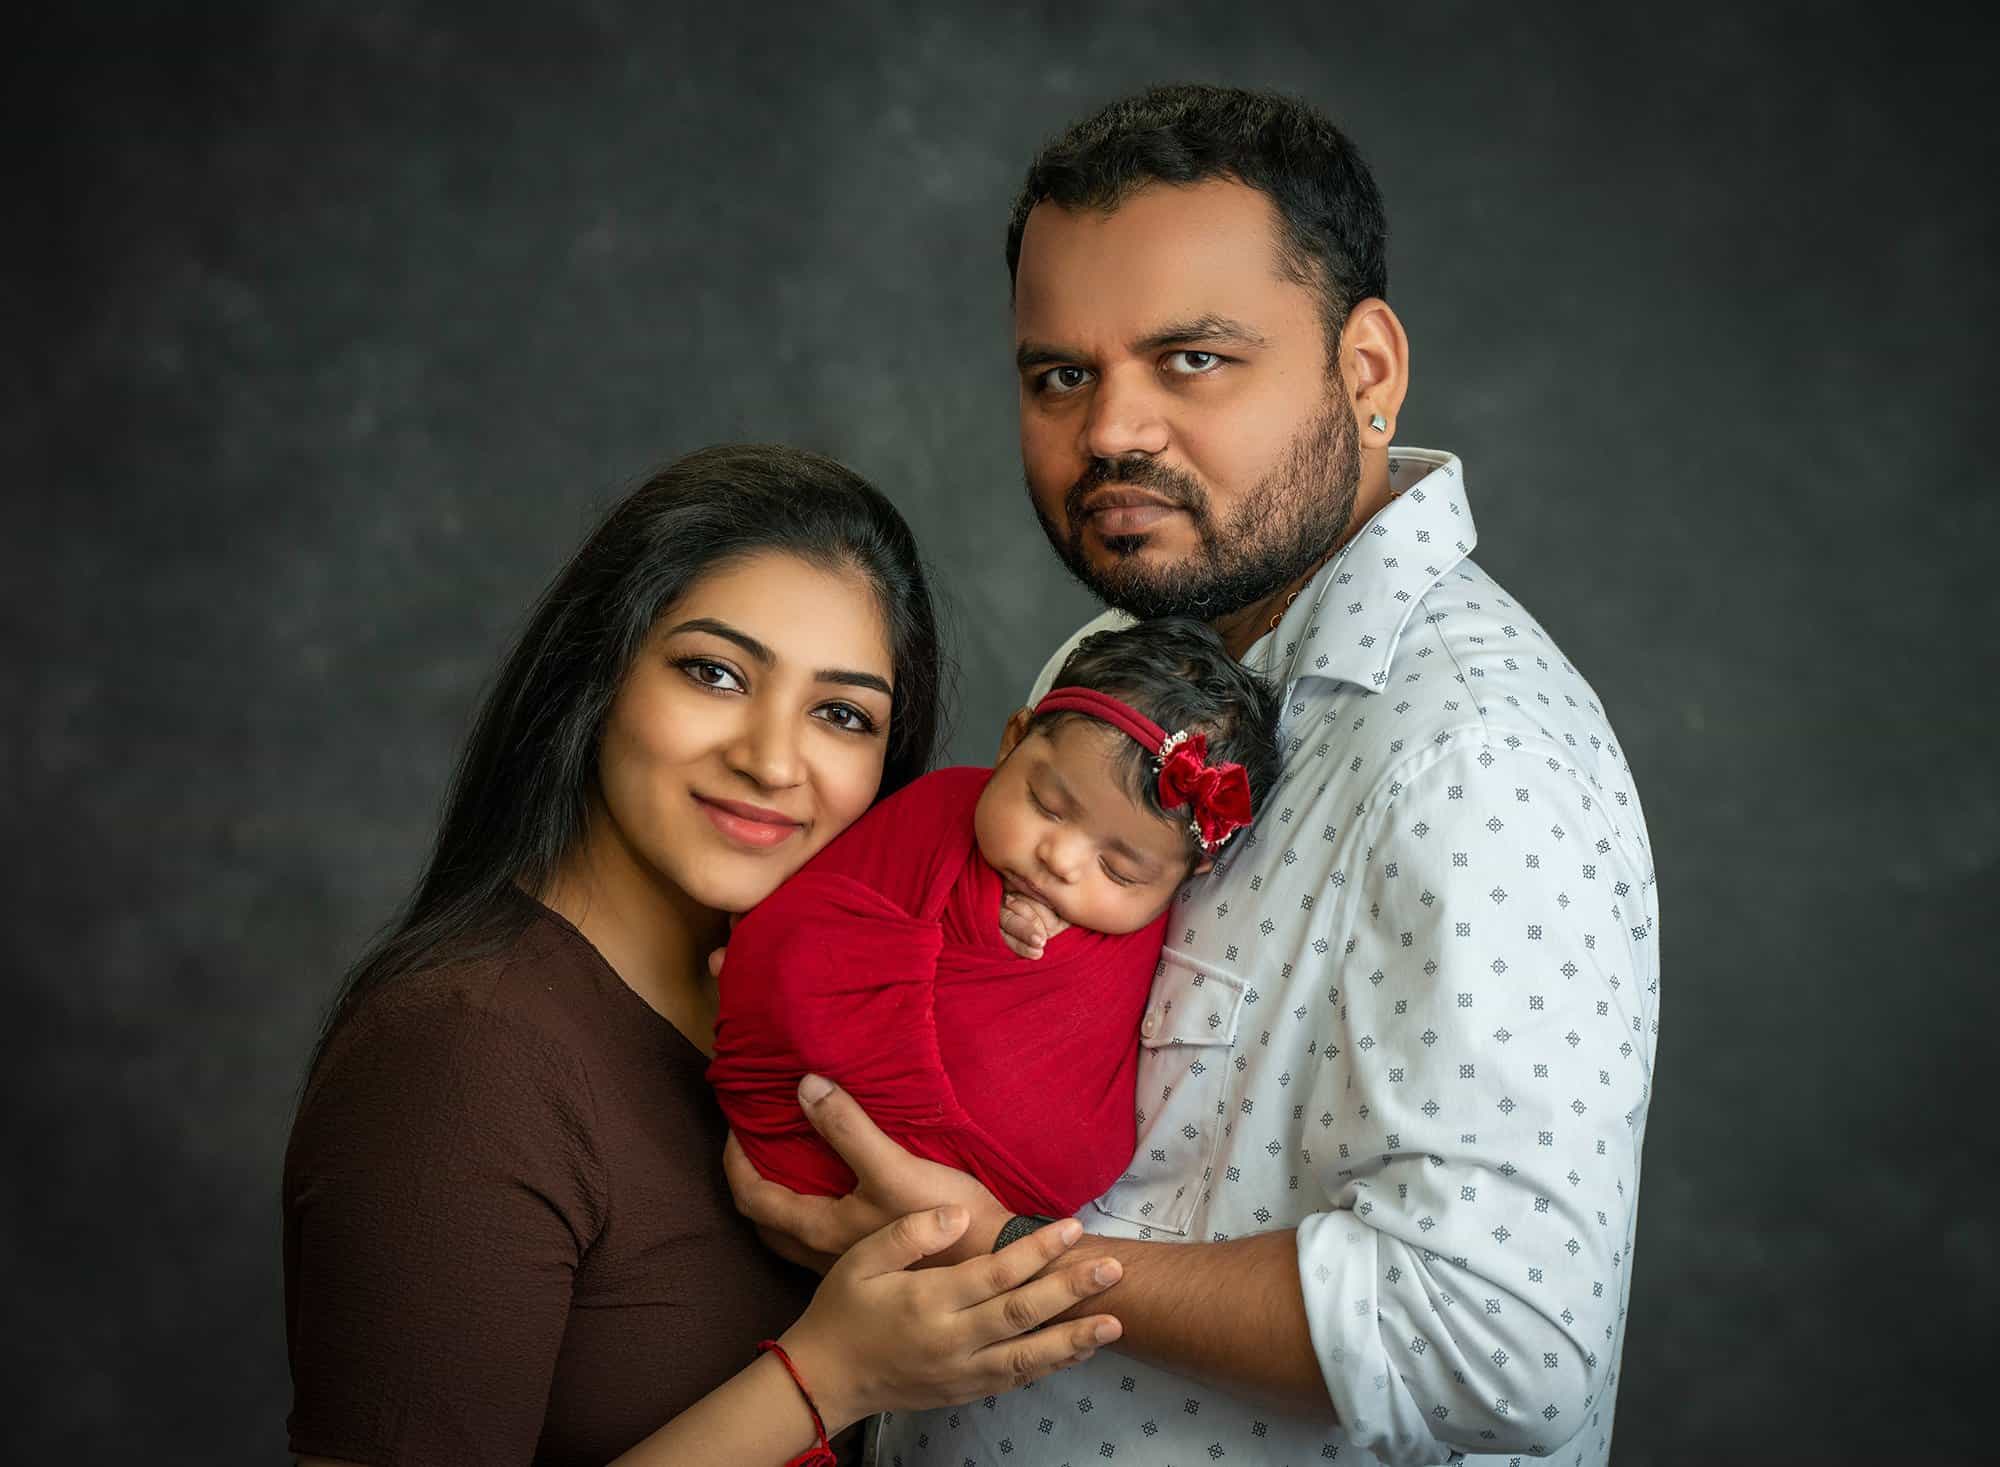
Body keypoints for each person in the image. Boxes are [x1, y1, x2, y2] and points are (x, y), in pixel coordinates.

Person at [725, 86, 1660, 1467]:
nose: (1112, 431)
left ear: (1368, 370)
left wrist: (1012, 1255)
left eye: (1193, 360)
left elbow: (1500, 1339)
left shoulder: (1475, 751)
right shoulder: (1121, 654)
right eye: (1060, 375)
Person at [282, 443, 1123, 1467]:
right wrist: (829, 1377)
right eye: (714, 673)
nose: (771, 759)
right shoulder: (458, 1056)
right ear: (597, 676)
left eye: (840, 715)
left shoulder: (825, 1024)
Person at [710, 617, 1282, 1219]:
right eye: (1046, 806)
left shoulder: (1161, 936)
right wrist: (974, 913)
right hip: (791, 1121)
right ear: (1013, 741)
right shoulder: (940, 806)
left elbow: (1072, 1112)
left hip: (965, 1212)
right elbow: (805, 926)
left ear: (1186, 876)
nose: (1058, 860)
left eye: (1118, 871)